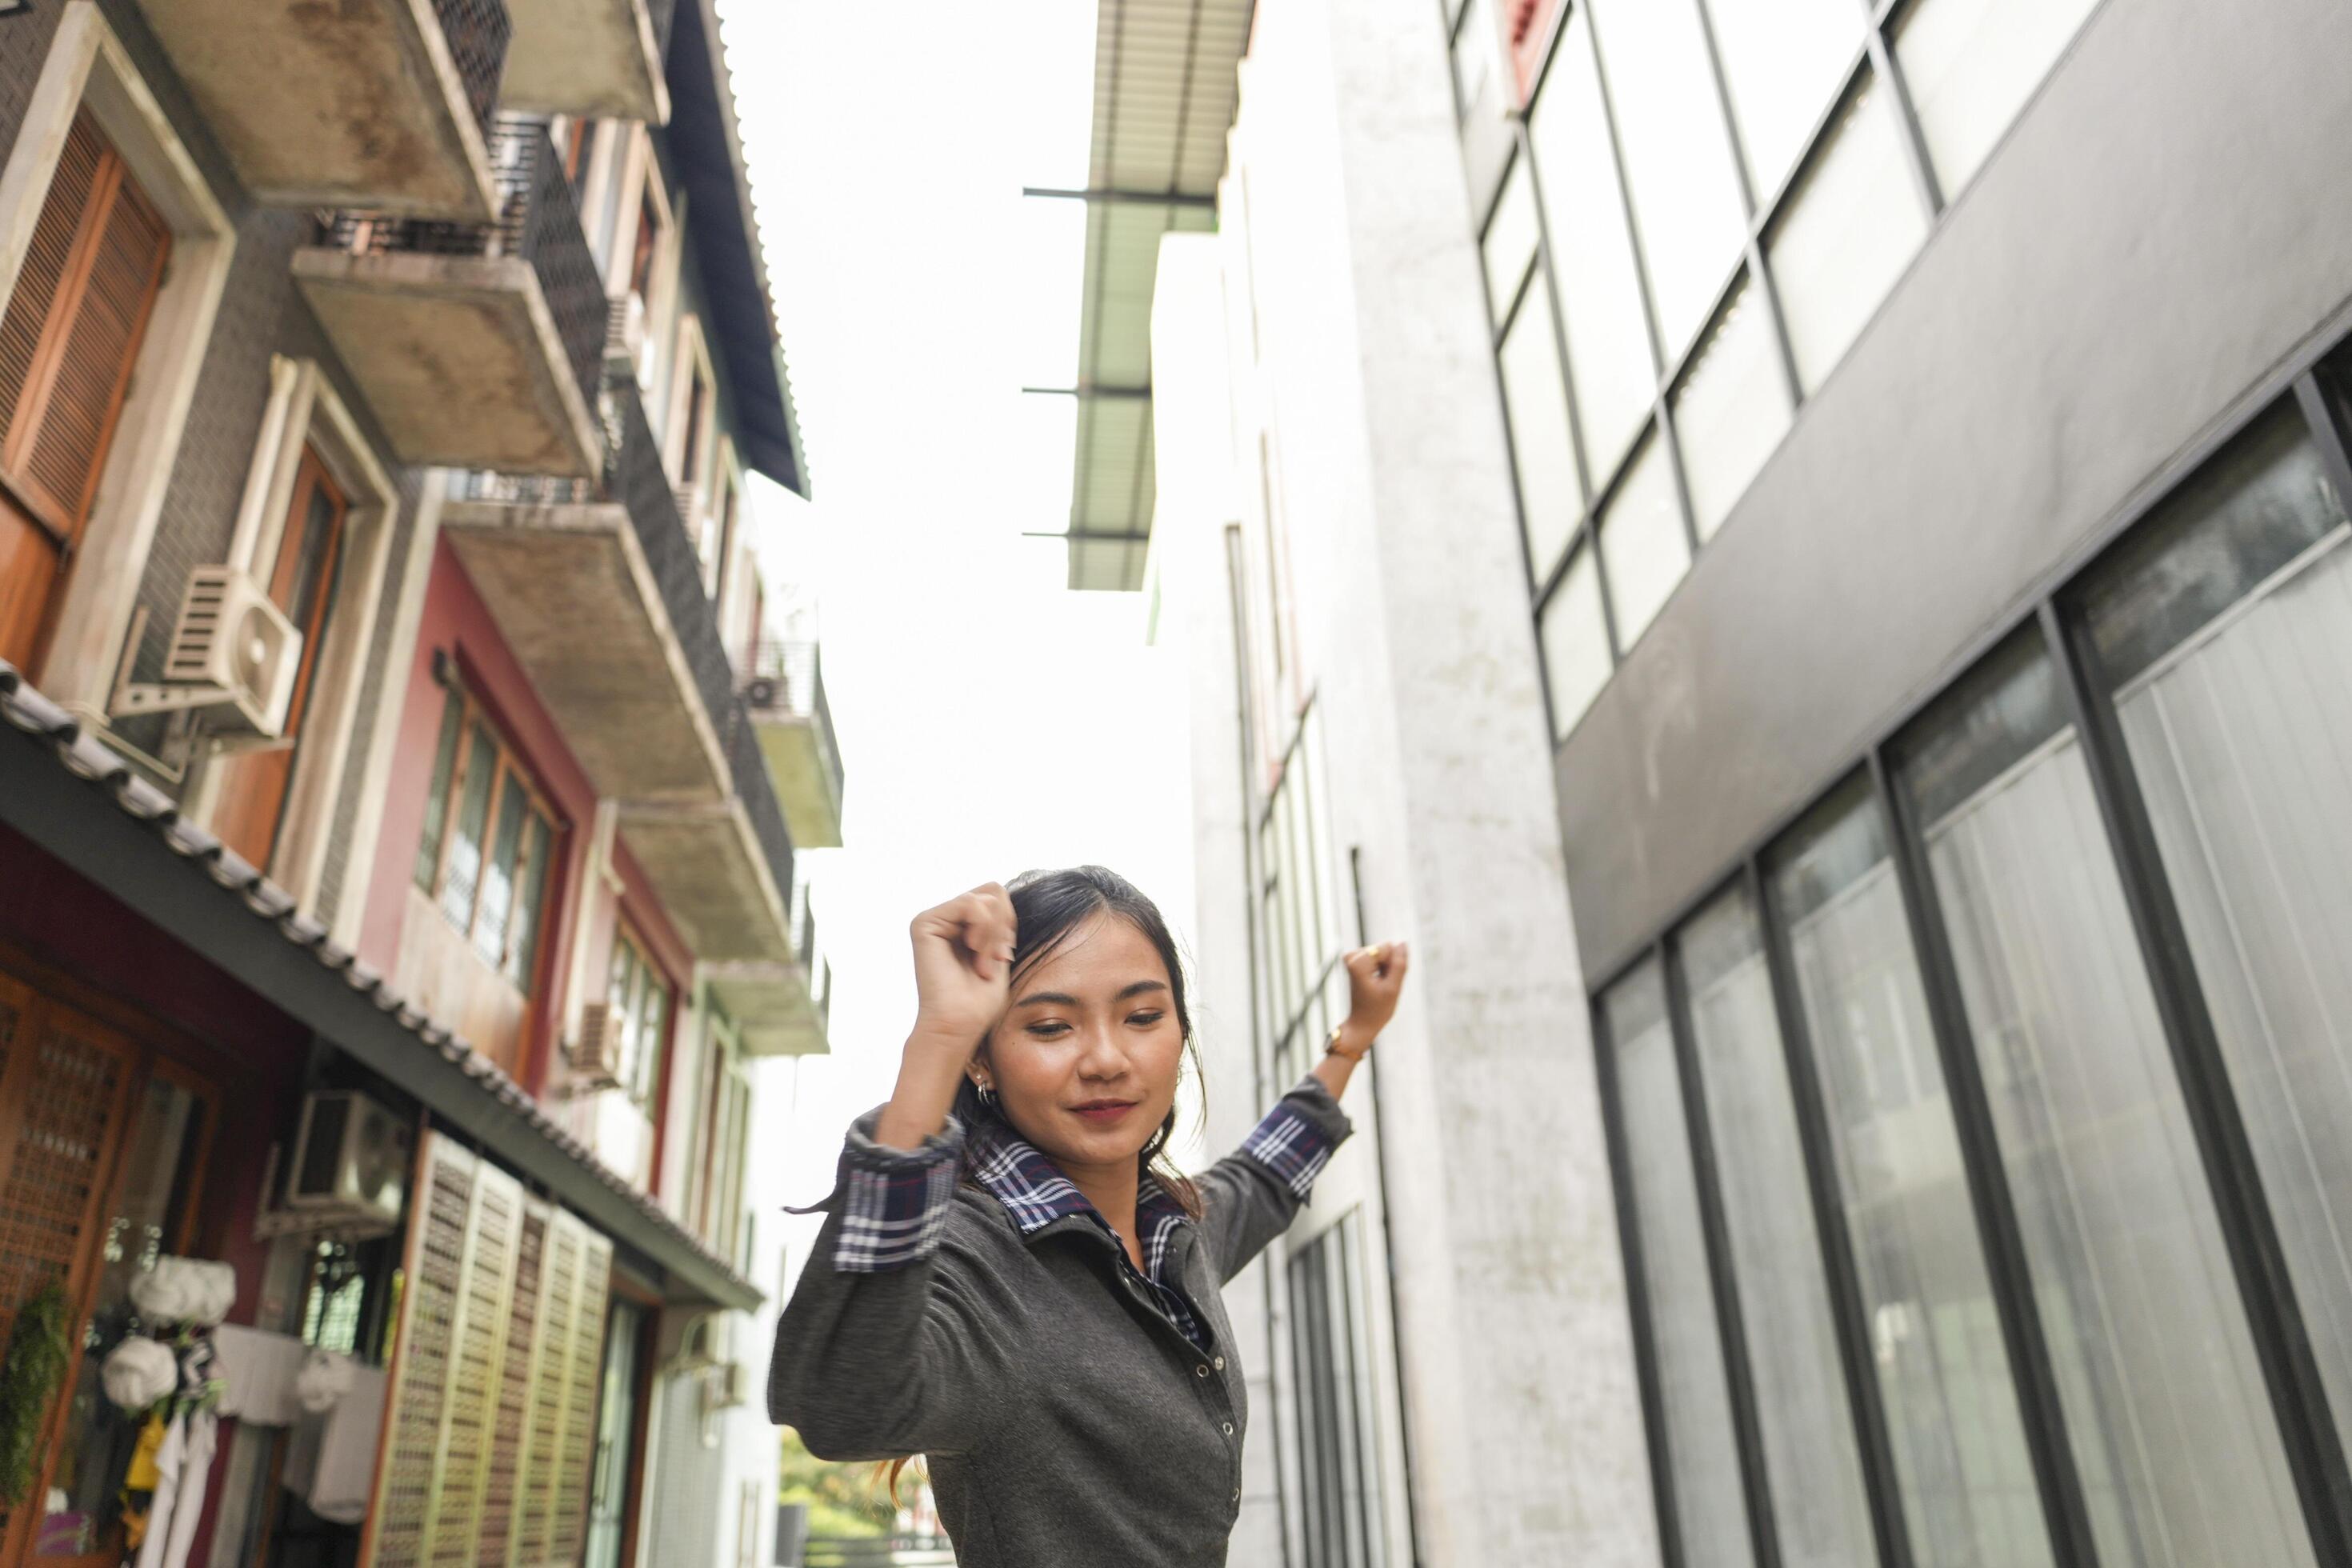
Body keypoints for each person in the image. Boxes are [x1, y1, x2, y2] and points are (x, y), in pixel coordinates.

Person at [769, 866, 1408, 1566]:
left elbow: (1263, 1176)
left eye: (1142, 1017)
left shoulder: (1173, 1229)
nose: (1106, 1059)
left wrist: (1354, 1035)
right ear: (984, 1060)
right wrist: (938, 1039)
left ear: (1179, 1033)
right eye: (1050, 1026)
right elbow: (842, 1405)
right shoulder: (974, 1261)